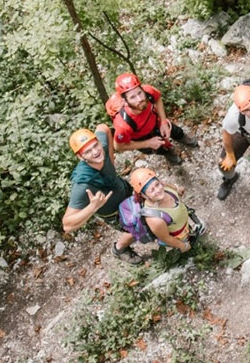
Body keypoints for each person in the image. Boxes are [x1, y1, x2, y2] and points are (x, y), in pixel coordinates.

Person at [61, 125, 142, 264]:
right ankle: (119, 248)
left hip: (125, 190)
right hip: (114, 212)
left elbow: (103, 128)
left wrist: (110, 158)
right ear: (81, 157)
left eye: (95, 145)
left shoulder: (102, 148)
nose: (95, 152)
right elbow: (67, 225)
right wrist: (92, 207)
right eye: (88, 151)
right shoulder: (83, 184)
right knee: (137, 228)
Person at [105, 72, 196, 165]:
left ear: (142, 89)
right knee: (159, 148)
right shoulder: (123, 125)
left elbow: (158, 99)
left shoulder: (148, 92)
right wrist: (147, 143)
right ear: (124, 101)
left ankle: (182, 138)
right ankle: (168, 153)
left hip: (156, 122)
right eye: (132, 97)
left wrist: (163, 122)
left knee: (175, 131)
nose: (139, 99)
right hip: (142, 138)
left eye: (139, 93)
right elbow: (118, 146)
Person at [128, 168, 206, 252]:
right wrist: (183, 246)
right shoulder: (154, 219)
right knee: (190, 244)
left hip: (182, 224)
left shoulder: (165, 187)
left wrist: (177, 189)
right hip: (179, 236)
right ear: (144, 196)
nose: (158, 190)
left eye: (157, 184)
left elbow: (177, 190)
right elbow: (166, 238)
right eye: (152, 190)